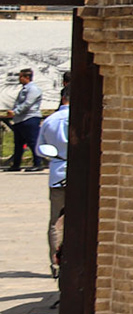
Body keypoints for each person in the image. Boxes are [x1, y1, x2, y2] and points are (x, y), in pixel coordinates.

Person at [40, 86, 68, 279]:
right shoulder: (86, 117)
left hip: (58, 175)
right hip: (83, 173)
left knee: (56, 222)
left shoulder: (50, 121)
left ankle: (55, 262)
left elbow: (40, 149)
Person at [4, 68, 43, 171]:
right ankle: (16, 165)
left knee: (33, 142)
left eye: (20, 76)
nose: (19, 79)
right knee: (18, 144)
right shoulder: (25, 89)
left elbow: (27, 103)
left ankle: (38, 163)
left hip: (30, 118)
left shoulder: (33, 89)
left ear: (27, 77)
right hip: (20, 120)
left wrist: (15, 112)